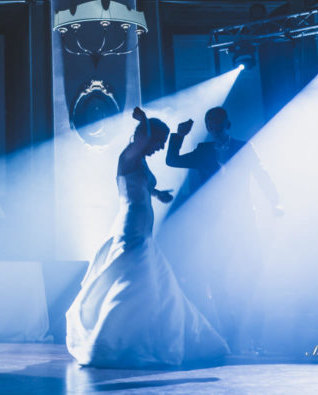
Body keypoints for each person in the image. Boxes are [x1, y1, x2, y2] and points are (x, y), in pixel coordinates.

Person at [66, 107, 229, 367]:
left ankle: (147, 338)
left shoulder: (139, 160)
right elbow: (140, 144)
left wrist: (158, 193)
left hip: (144, 228)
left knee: (157, 286)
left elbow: (142, 183)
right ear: (146, 137)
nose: (159, 148)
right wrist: (143, 121)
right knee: (133, 283)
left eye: (163, 144)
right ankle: (110, 343)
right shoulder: (129, 154)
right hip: (131, 228)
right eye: (159, 143)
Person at [165, 106, 281, 353]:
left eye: (218, 123)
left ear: (227, 124)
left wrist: (275, 201)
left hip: (243, 222)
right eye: (210, 125)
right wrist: (179, 135)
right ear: (208, 128)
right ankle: (229, 331)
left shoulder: (243, 147)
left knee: (254, 277)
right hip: (214, 227)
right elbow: (172, 160)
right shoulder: (203, 151)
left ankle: (255, 335)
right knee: (216, 280)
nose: (215, 128)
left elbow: (261, 175)